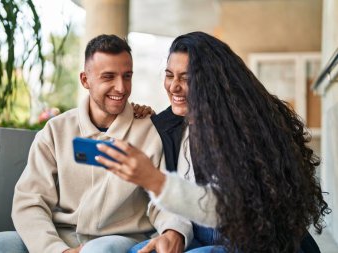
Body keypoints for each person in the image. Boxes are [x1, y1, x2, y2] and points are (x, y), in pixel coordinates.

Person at [95, 32, 330, 253]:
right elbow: (187, 197)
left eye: (186, 78)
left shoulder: (246, 131)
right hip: (202, 230)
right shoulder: (185, 124)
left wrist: (154, 181)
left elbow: (224, 211)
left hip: (253, 241)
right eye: (169, 75)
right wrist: (172, 231)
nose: (174, 86)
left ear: (211, 83)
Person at [0, 34, 193, 253]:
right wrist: (56, 249)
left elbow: (162, 196)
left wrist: (174, 230)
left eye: (127, 76)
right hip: (58, 237)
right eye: (108, 77)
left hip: (117, 241)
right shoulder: (56, 130)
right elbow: (30, 201)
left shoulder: (148, 131)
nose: (121, 88)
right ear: (85, 80)